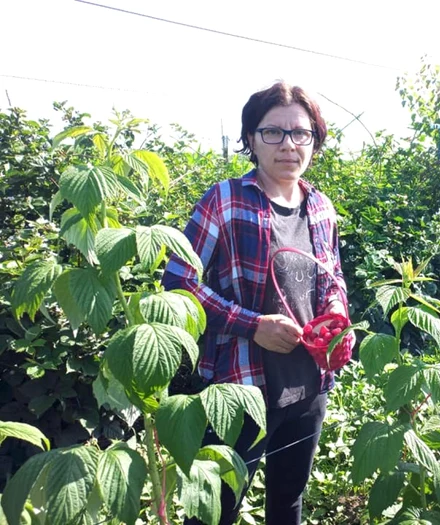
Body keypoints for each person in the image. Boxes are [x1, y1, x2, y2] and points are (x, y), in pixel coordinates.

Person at [162, 81, 350, 525]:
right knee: (216, 510)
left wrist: (338, 312)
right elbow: (178, 280)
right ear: (251, 139)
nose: (288, 145)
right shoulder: (225, 200)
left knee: (287, 502)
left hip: (309, 384)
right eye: (273, 133)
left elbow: (333, 278)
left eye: (300, 133)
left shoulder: (321, 208)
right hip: (241, 388)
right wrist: (251, 324)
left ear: (314, 140)